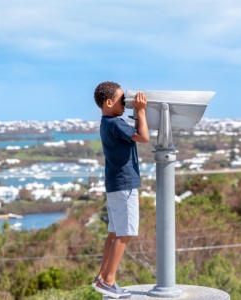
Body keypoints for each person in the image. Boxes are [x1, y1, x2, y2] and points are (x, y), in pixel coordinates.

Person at [92, 81, 149, 299]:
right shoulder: (116, 123)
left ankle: (101, 276)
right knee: (125, 233)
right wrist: (141, 112)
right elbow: (143, 137)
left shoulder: (106, 122)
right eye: (121, 99)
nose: (124, 103)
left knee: (115, 232)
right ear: (109, 102)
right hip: (125, 185)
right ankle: (109, 280)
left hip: (114, 184)